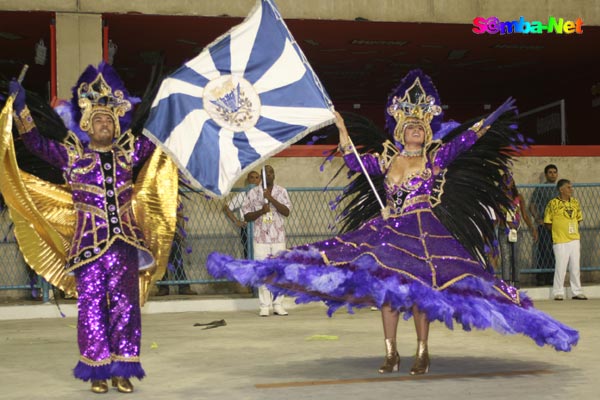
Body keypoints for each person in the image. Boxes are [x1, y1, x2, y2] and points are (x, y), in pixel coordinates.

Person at [207, 69, 578, 375]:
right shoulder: (386, 161)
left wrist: (488, 122)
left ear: (426, 133)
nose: (415, 128)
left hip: (423, 230)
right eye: (409, 126)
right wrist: (340, 126)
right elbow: (353, 160)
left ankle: (421, 352)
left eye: (420, 126)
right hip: (389, 229)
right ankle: (390, 352)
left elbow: (462, 142)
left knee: (418, 296)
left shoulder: (433, 159)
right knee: (385, 294)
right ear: (400, 131)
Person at [6, 63, 178, 393]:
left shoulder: (130, 153)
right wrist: (22, 110)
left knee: (127, 308)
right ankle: (98, 372)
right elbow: (35, 144)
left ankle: (122, 369)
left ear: (115, 127)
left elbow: (158, 137)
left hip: (126, 245)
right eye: (97, 119)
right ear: (87, 125)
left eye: (108, 120)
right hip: (87, 249)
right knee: (91, 309)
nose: (103, 123)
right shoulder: (73, 156)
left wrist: (172, 103)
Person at [242, 165, 291, 316]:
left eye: (271, 172)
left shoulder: (281, 191)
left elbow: (286, 211)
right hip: (260, 237)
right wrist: (261, 211)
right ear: (261, 176)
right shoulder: (253, 193)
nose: (269, 175)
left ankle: (278, 304)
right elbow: (246, 216)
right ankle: (264, 306)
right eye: (266, 173)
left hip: (278, 238)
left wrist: (271, 199)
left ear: (274, 175)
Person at [544, 179, 587, 301]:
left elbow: (578, 219)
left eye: (571, 187)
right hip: (560, 240)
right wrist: (559, 230)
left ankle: (577, 291)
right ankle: (558, 292)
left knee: (575, 267)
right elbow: (548, 222)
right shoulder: (552, 203)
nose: (571, 189)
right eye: (568, 187)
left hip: (574, 239)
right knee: (560, 267)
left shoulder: (575, 202)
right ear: (561, 189)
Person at [496, 175, 538, 285]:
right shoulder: (498, 197)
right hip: (503, 230)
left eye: (510, 180)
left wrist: (532, 228)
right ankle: (506, 282)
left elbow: (524, 215)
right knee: (505, 257)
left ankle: (516, 282)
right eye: (505, 180)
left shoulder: (519, 197)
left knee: (515, 257)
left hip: (517, 231)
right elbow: (495, 215)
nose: (508, 182)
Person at [156, 202, 197, 296]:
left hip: (174, 232)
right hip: (159, 232)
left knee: (177, 259)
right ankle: (163, 287)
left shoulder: (174, 197)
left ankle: (183, 287)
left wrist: (181, 231)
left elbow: (180, 214)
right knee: (161, 261)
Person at [529, 164, 558, 286]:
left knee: (555, 251)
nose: (553, 174)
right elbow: (532, 205)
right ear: (546, 175)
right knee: (543, 250)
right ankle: (541, 278)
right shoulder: (541, 188)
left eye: (555, 172)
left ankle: (552, 277)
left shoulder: (560, 188)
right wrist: (538, 219)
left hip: (557, 227)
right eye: (550, 172)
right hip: (544, 226)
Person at [223, 170, 260, 259]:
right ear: (248, 179)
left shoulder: (263, 194)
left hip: (261, 228)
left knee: (261, 254)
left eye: (256, 177)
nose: (254, 180)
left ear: (260, 180)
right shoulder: (242, 195)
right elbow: (226, 207)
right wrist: (237, 222)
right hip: (247, 229)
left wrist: (268, 223)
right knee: (248, 255)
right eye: (252, 177)